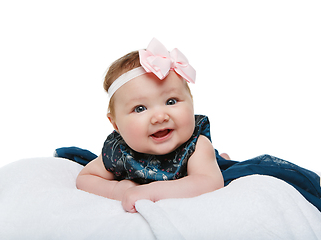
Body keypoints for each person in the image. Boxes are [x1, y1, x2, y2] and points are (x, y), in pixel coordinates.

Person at [76, 38, 224, 213]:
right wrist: (118, 190)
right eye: (140, 108)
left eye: (171, 101)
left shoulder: (196, 145)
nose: (160, 117)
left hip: (202, 164)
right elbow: (85, 178)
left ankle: (221, 158)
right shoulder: (118, 151)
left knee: (218, 163)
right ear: (115, 124)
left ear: (191, 102)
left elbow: (210, 182)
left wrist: (150, 192)